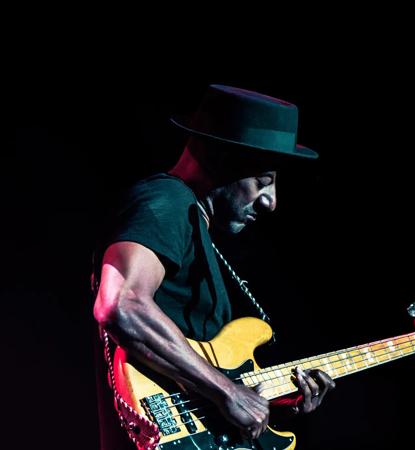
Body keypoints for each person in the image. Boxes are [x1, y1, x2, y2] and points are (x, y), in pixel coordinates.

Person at [91, 84, 336, 450]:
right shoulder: (167, 201)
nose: (270, 202)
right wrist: (227, 393)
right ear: (221, 158)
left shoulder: (189, 220)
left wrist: (274, 403)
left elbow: (197, 382)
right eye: (263, 182)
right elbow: (121, 303)